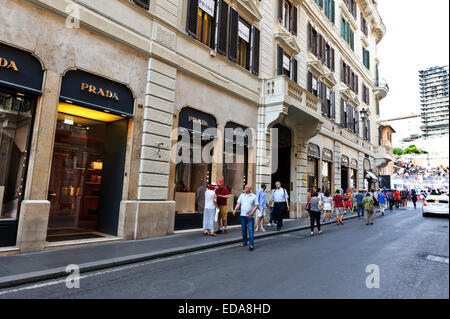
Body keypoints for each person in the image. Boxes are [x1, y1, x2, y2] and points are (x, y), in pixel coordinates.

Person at [233, 184, 259, 251]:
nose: (245, 188)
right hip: (242, 215)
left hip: (250, 216)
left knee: (250, 230)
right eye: (245, 187)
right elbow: (238, 203)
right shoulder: (242, 195)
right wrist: (235, 209)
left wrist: (252, 212)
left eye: (246, 187)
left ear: (250, 189)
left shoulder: (254, 196)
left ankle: (251, 244)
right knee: (243, 230)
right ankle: (244, 242)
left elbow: (256, 205)